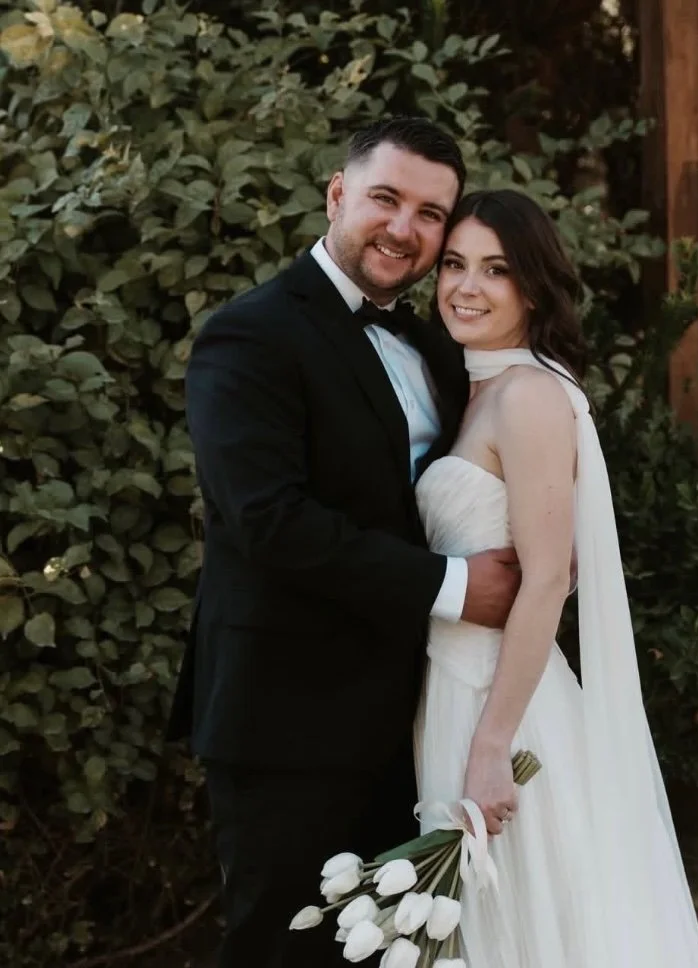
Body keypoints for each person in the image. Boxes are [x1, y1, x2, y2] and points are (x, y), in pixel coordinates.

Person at [166, 118, 521, 968]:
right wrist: (449, 587)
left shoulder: (439, 346)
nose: (405, 228)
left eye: (430, 214)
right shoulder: (249, 336)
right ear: (337, 195)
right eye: (386, 199)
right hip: (287, 716)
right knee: (280, 950)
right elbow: (269, 520)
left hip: (414, 712)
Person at [414, 189, 698, 967]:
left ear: (535, 289)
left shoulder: (532, 396)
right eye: (453, 264)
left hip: (505, 710)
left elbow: (546, 580)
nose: (465, 286)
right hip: (449, 688)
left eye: (495, 270)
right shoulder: (473, 391)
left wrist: (491, 746)